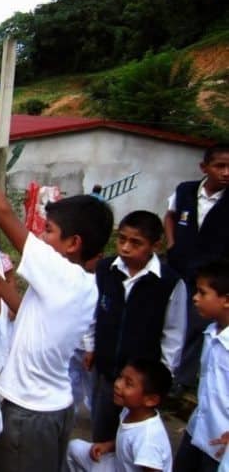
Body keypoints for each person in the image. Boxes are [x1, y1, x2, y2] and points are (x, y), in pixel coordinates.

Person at [0, 123, 113, 472]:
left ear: (74, 244)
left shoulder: (62, 273)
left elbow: (1, 212)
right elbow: (28, 315)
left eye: (50, 231)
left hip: (29, 412)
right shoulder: (80, 284)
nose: (42, 236)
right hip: (50, 407)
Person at [87, 210, 187, 442]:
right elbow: (93, 312)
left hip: (142, 377)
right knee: (101, 429)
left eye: (136, 242)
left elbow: (173, 333)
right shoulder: (105, 270)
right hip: (106, 368)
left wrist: (164, 374)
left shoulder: (168, 283)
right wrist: (90, 345)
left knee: (133, 435)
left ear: (156, 246)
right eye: (122, 239)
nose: (125, 248)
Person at [164, 144, 229, 392]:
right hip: (179, 264)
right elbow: (170, 215)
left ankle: (181, 381)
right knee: (171, 318)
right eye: (219, 166)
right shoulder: (186, 191)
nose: (226, 172)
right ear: (204, 167)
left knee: (197, 324)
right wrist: (171, 244)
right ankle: (164, 369)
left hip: (210, 272)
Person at [66, 359, 173, 472]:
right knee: (73, 447)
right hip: (117, 465)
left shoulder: (148, 439)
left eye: (128, 383)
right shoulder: (130, 410)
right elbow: (128, 441)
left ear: (151, 400)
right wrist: (108, 445)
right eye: (120, 377)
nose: (117, 384)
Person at [174, 259, 229, 471]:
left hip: (221, 443)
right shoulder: (210, 334)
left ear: (226, 300)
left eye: (202, 293)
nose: (195, 298)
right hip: (198, 430)